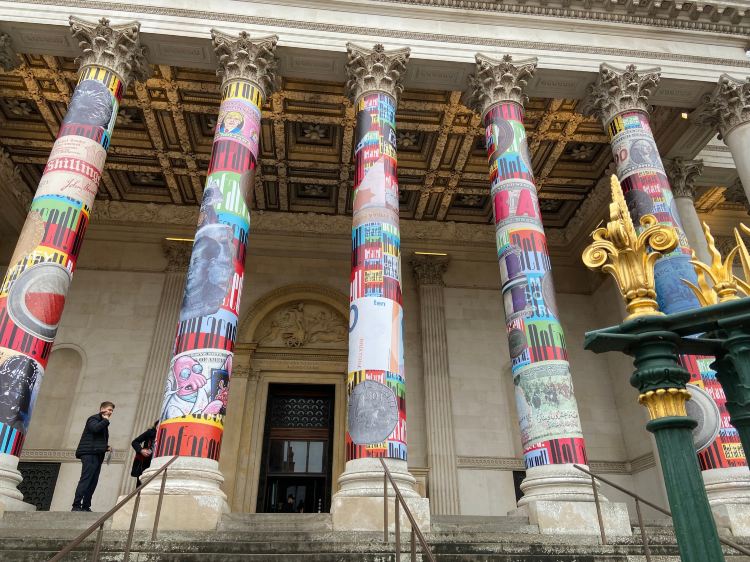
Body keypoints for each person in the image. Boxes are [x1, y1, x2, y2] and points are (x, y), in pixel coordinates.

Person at [72, 401, 114, 512]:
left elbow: (96, 439)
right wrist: (105, 420)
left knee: (93, 482)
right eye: (109, 409)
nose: (110, 412)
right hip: (89, 454)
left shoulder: (102, 422)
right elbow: (95, 429)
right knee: (86, 479)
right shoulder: (94, 418)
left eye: (111, 410)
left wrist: (106, 447)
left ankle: (86, 506)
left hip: (97, 454)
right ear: (102, 409)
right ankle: (76, 505)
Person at [130, 420, 158, 487]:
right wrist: (141, 450)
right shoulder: (150, 433)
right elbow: (135, 442)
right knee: (141, 484)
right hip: (145, 462)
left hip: (157, 463)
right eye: (158, 425)